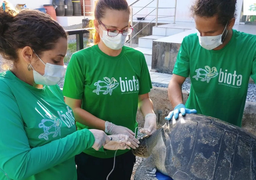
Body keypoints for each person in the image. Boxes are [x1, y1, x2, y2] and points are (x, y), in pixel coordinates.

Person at [0, 9, 132, 180]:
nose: (62, 66)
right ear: (27, 54)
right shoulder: (6, 93)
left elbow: (61, 139)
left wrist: (103, 140)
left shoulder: (50, 87)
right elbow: (18, 166)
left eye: (63, 58)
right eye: (56, 60)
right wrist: (85, 137)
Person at [63, 0, 157, 179]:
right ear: (97, 25)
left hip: (126, 148)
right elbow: (72, 109)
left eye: (124, 29)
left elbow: (143, 98)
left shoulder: (136, 58)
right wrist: (109, 127)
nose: (119, 35)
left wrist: (150, 115)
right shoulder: (81, 60)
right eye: (112, 30)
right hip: (92, 150)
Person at [166, 0, 256, 126]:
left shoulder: (255, 47)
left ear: (230, 23)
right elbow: (175, 81)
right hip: (192, 126)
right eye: (199, 31)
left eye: (210, 33)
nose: (202, 37)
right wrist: (178, 105)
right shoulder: (190, 43)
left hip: (228, 132)